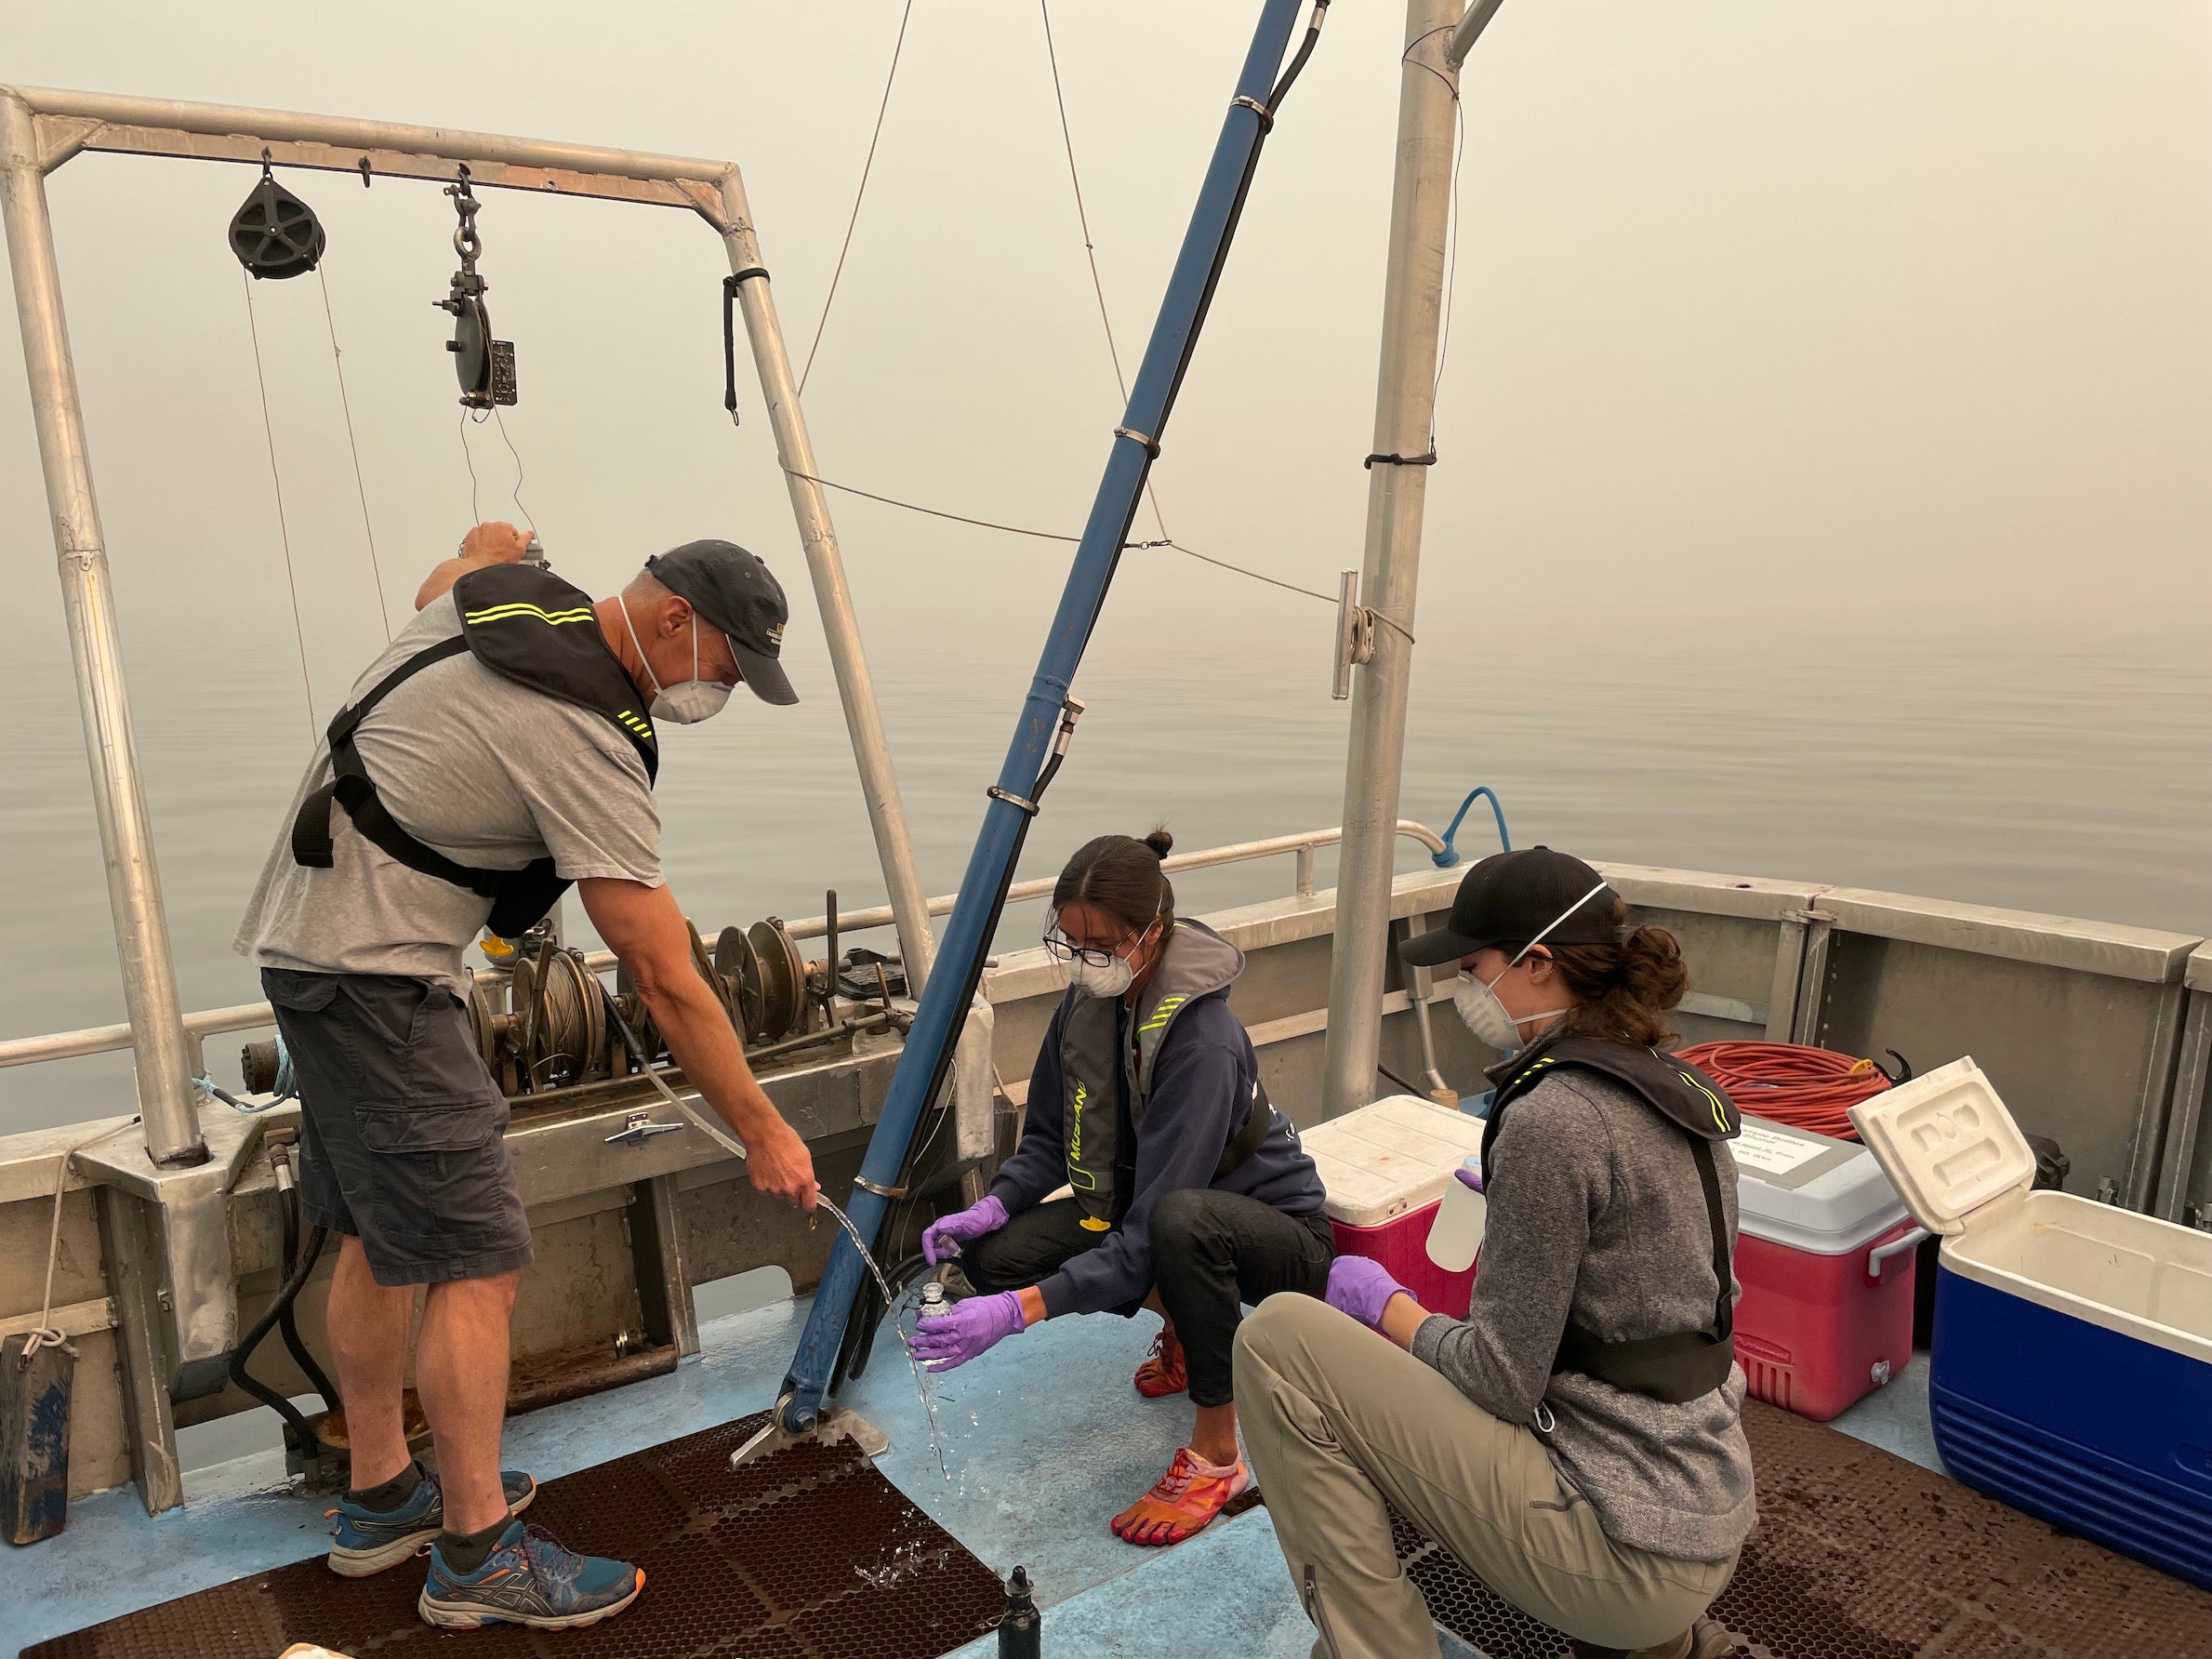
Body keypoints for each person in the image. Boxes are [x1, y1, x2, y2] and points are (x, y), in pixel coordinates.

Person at [236, 524, 820, 1634]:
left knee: (373, 1231)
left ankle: (379, 1496)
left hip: (309, 951)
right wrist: (760, 1126)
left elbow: (445, 570)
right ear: (670, 620)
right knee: (479, 1260)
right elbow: (660, 970)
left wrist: (485, 538)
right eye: (728, 667)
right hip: (382, 981)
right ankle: (474, 1552)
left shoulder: (500, 603)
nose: (723, 692)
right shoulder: (583, 730)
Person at [1234, 847, 1753, 1659]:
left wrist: (1390, 1309)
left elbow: (1501, 1381)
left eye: (1471, 967)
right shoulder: (1670, 1084)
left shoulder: (1555, 1116)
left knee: (1277, 1340)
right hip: (1703, 1497)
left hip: (1623, 1551)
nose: (1459, 990)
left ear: (1536, 963)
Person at [907, 830, 1333, 1546]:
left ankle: (1217, 1453)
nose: (1084, 962)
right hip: (1160, 1215)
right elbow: (1047, 1139)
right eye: (1070, 943)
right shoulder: (1084, 1009)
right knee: (995, 1260)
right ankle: (1191, 1330)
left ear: (1152, 934)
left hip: (1275, 1238)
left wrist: (1020, 1315)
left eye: (1100, 946)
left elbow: (1153, 1228)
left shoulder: (1202, 1040)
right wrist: (992, 1205)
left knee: (1177, 1225)